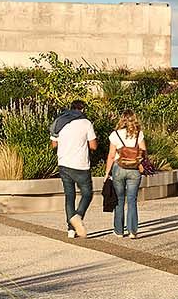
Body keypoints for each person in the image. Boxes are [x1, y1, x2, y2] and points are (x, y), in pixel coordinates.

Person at [48, 99, 98, 238]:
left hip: (63, 163)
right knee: (87, 194)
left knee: (69, 196)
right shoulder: (86, 123)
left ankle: (70, 230)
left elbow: (54, 144)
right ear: (82, 110)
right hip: (81, 165)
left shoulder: (59, 122)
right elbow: (93, 146)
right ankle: (77, 217)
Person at [106, 109, 146, 238]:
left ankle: (119, 230)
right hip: (134, 170)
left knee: (119, 200)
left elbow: (111, 155)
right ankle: (132, 230)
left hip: (119, 168)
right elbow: (143, 151)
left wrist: (107, 172)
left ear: (121, 119)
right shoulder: (139, 134)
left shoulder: (115, 134)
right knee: (132, 200)